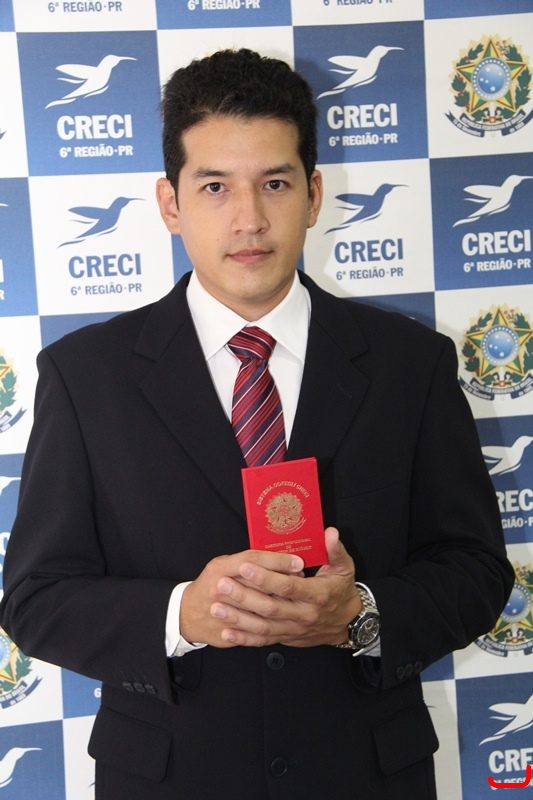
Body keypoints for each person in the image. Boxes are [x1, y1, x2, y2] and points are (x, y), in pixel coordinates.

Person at [0, 49, 513, 800]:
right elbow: (36, 597)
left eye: (274, 183)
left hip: (365, 775)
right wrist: (183, 614)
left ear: (313, 193)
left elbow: (476, 571)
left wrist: (359, 615)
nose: (249, 219)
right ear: (170, 203)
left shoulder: (413, 365)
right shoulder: (86, 376)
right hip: (170, 780)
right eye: (214, 187)